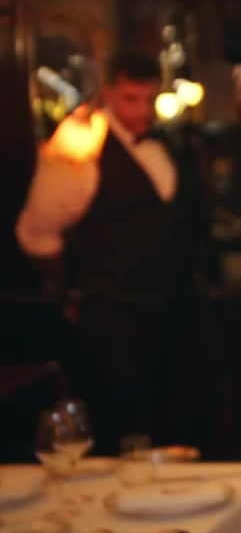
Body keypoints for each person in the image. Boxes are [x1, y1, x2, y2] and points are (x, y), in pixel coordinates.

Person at [14, 51, 198, 455]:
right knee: (123, 430)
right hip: (114, 319)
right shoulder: (80, 145)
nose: (143, 111)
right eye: (132, 99)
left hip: (172, 313)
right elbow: (36, 232)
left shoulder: (166, 143)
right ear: (109, 93)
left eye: (150, 99)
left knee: (174, 427)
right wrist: (70, 290)